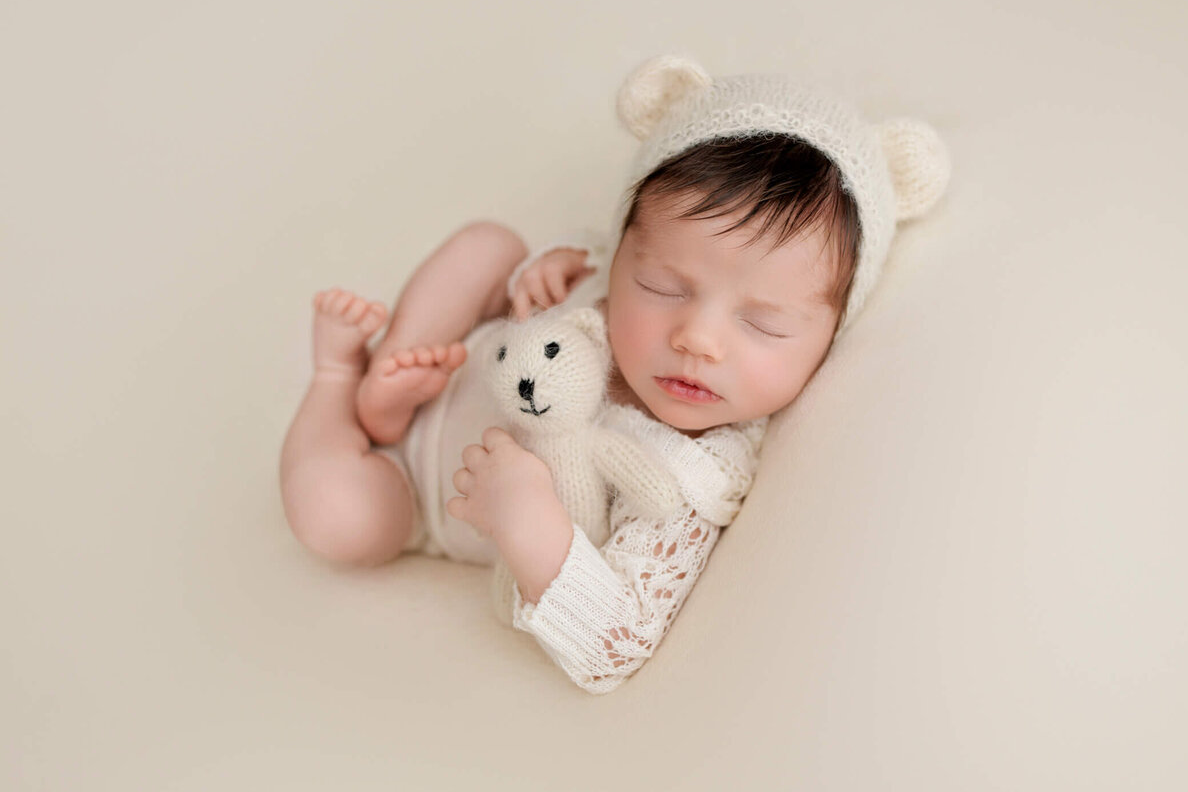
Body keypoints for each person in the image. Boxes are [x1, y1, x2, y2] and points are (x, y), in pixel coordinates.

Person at [278, 54, 951, 693]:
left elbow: (615, 642)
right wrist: (536, 280)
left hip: (413, 488)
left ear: (830, 334)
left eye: (762, 325)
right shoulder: (605, 276)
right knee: (490, 245)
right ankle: (393, 369)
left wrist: (528, 521)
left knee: (336, 518)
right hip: (462, 358)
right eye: (661, 284)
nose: (697, 339)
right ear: (627, 248)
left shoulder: (693, 475)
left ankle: (336, 378)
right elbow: (566, 276)